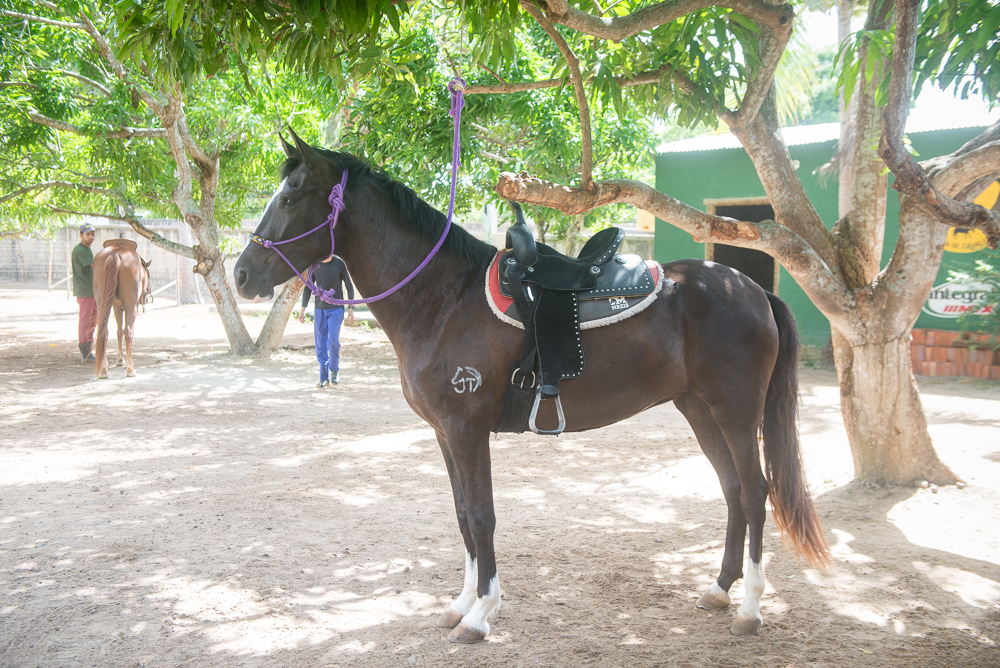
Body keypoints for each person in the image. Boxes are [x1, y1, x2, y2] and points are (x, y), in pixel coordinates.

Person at [299, 255, 355, 387]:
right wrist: (303, 309)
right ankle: (324, 377)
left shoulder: (339, 263)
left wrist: (351, 308)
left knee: (333, 341)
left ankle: (334, 370)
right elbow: (308, 287)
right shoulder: (315, 265)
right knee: (320, 344)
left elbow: (349, 286)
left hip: (336, 309)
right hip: (319, 310)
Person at [72, 223, 97, 362]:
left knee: (93, 319)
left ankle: (89, 351)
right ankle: (85, 352)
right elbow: (95, 265)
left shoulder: (87, 250)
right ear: (81, 235)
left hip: (91, 291)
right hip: (85, 291)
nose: (91, 237)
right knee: (86, 320)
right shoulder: (80, 250)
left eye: (92, 234)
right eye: (88, 234)